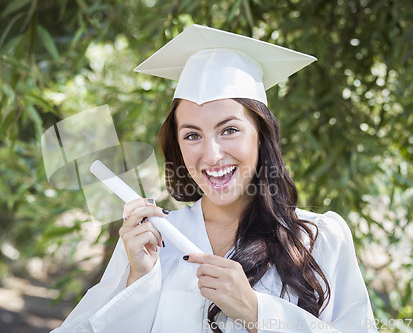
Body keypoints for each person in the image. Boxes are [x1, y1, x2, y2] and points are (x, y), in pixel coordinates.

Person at [52, 24, 378, 333]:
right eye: (192, 135)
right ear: (177, 146)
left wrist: (256, 312)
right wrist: (138, 280)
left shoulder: (319, 239)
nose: (211, 154)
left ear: (261, 136)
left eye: (230, 130)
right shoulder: (153, 242)